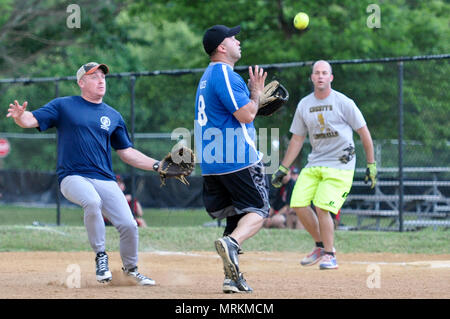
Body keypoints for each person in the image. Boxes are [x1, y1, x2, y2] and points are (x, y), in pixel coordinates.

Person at [6, 62, 164, 285]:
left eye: (103, 76)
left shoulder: (113, 115)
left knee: (129, 224)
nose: (101, 80)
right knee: (92, 201)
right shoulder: (64, 106)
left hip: (105, 179)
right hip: (72, 177)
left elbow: (127, 152)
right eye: (94, 76)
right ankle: (101, 256)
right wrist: (20, 117)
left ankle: (130, 270)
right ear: (81, 82)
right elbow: (31, 120)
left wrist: (158, 165)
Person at [272, 60, 377, 270]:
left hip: (341, 163)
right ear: (312, 77)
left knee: (321, 205)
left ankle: (330, 254)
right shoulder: (304, 104)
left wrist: (371, 164)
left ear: (331, 78)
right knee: (298, 204)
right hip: (316, 162)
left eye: (324, 73)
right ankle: (320, 246)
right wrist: (283, 167)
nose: (320, 76)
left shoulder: (343, 102)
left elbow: (364, 133)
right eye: (317, 73)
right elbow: (297, 139)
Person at [194, 25, 269, 293]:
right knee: (259, 211)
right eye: (232, 37)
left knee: (236, 216)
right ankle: (232, 244)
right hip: (238, 158)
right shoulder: (224, 73)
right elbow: (246, 115)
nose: (238, 40)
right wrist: (256, 93)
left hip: (213, 162)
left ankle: (231, 278)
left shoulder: (206, 77)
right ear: (221, 48)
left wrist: (252, 100)